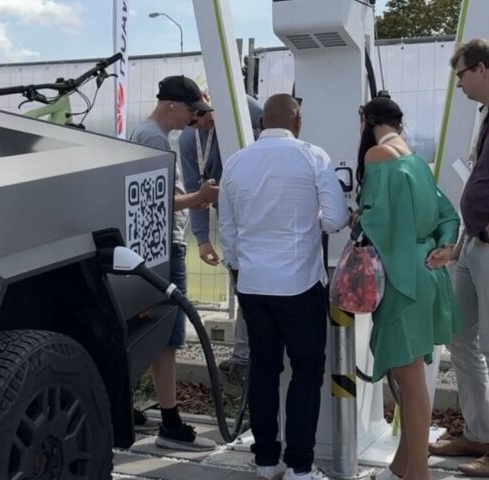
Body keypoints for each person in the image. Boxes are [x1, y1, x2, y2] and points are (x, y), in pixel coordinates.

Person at [219, 94, 349, 480]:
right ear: (298, 122)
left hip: (253, 284)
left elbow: (227, 229)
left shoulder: (236, 162)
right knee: (306, 374)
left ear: (262, 124)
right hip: (299, 283)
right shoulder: (313, 156)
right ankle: (300, 467)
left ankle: (265, 461)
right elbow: (335, 218)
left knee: (264, 369)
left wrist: (241, 268)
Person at [353, 96, 461, 480]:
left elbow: (374, 221)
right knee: (411, 377)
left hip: (401, 279)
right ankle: (404, 463)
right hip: (426, 270)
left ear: (366, 120)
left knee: (409, 381)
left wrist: (357, 216)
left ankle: (419, 473)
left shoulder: (378, 156)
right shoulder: (414, 158)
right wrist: (445, 247)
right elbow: (447, 214)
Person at [428, 38, 489, 477]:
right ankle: (479, 432)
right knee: (460, 338)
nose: (457, 84)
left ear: (481, 68)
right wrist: (464, 242)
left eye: (460, 74)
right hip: (475, 245)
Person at [129, 74, 219, 451]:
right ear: (171, 105)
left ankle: (126, 406)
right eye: (191, 110)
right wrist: (201, 197)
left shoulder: (143, 133)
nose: (193, 119)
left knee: (145, 333)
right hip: (164, 248)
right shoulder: (153, 138)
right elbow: (157, 199)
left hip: (150, 247)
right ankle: (170, 424)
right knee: (167, 338)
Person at [180, 94, 263, 394]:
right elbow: (194, 190)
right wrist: (202, 239)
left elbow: (266, 115)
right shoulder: (190, 140)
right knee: (243, 286)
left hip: (260, 213)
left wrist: (226, 99)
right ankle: (243, 359)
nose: (199, 124)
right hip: (230, 221)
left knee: (255, 289)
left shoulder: (241, 113)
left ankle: (247, 357)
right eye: (193, 120)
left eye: (201, 115)